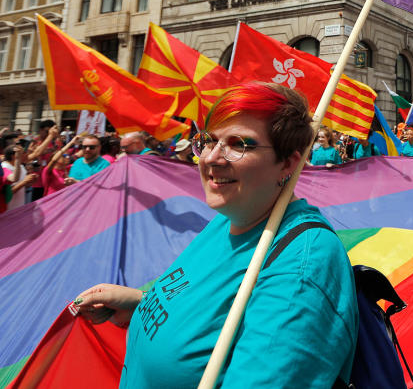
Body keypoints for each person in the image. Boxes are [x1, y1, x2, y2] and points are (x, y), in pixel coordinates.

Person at [74, 82, 358, 387]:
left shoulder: (304, 265)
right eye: (209, 141)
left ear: (288, 162)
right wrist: (140, 302)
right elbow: (215, 313)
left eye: (239, 145)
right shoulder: (230, 216)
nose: (211, 158)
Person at [2, 144, 36, 212]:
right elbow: (9, 192)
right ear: (14, 156)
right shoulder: (4, 167)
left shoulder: (21, 167)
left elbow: (24, 186)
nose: (26, 154)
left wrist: (31, 181)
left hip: (19, 208)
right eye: (23, 153)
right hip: (8, 210)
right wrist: (24, 182)